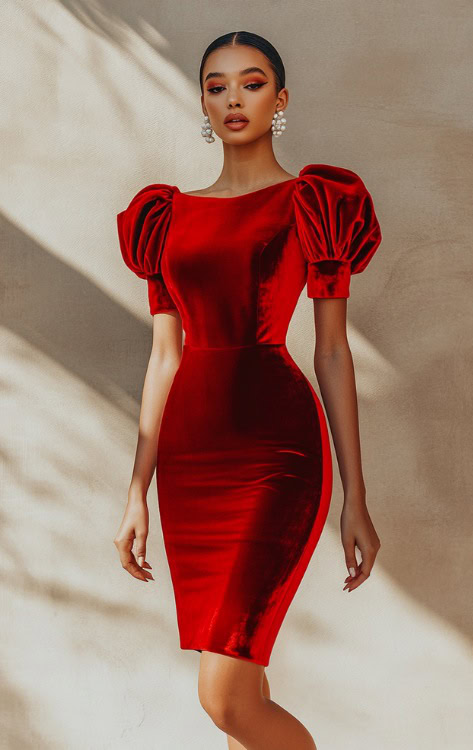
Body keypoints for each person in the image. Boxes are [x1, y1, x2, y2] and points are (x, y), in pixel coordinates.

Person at [114, 30, 382, 750]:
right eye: (217, 85)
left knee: (224, 694)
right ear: (203, 101)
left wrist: (356, 494)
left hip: (277, 452)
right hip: (192, 460)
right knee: (246, 685)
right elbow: (164, 357)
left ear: (281, 99)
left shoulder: (313, 205)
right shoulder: (163, 218)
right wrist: (138, 488)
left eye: (252, 82)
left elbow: (330, 351)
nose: (234, 98)